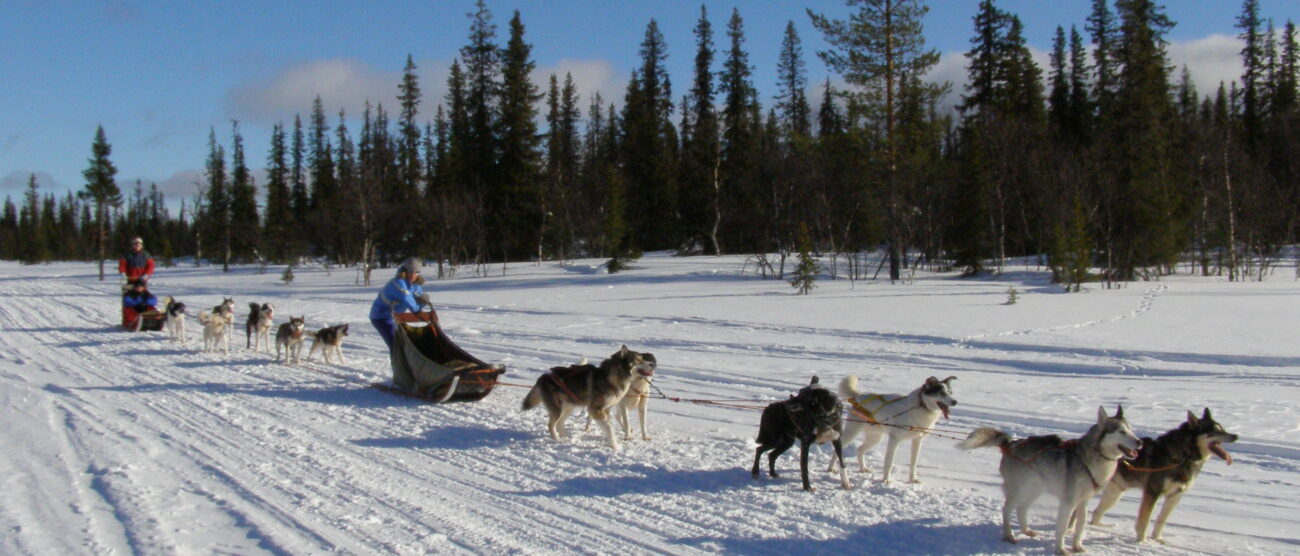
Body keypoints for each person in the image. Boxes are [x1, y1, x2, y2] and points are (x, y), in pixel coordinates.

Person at [369, 258, 430, 349]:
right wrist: (420, 306)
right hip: (381, 317)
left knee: (404, 343)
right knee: (396, 345)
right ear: (404, 271)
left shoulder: (415, 284)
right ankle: (399, 362)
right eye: (411, 271)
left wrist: (423, 300)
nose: (414, 275)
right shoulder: (398, 283)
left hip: (394, 317)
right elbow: (409, 302)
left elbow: (418, 298)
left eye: (417, 272)